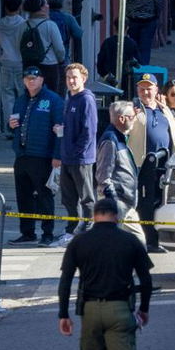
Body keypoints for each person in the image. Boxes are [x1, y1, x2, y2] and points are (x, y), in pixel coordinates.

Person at [57, 197, 153, 350]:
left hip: (89, 311)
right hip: (120, 309)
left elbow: (66, 280)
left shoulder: (79, 242)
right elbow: (146, 280)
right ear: (117, 217)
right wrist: (144, 309)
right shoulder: (129, 241)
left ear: (94, 216)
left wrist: (63, 314)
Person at [8, 66, 64, 246]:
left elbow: (61, 130)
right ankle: (27, 232)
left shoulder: (53, 100)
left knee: (44, 196)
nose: (31, 81)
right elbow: (15, 125)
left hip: (42, 156)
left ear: (41, 80)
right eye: (27, 78)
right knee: (23, 196)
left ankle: (47, 234)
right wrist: (11, 125)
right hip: (22, 154)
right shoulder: (20, 100)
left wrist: (57, 155)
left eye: (34, 78)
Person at [129, 75, 175, 254]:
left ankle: (158, 239)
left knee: (161, 203)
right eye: (142, 89)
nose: (145, 92)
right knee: (143, 206)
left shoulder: (164, 109)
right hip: (142, 166)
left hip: (164, 166)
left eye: (149, 88)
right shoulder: (134, 109)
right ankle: (147, 242)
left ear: (156, 90)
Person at [59, 63, 98, 245]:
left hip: (81, 158)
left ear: (83, 78)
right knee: (68, 197)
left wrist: (75, 150)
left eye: (74, 77)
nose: (71, 81)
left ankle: (89, 228)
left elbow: (89, 131)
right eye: (68, 77)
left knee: (86, 197)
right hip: (67, 157)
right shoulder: (70, 99)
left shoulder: (86, 100)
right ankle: (72, 228)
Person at [95, 101, 144, 240]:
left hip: (126, 202)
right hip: (117, 202)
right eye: (132, 117)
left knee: (137, 241)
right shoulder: (110, 140)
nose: (134, 120)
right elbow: (103, 175)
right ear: (122, 119)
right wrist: (114, 201)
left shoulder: (119, 137)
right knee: (114, 241)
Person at [20, 0, 65, 96]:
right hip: (49, 65)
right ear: (41, 8)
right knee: (49, 95)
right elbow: (59, 48)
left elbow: (19, 45)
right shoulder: (50, 25)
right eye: (46, 4)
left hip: (28, 64)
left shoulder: (24, 25)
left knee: (31, 94)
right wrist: (60, 60)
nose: (48, 6)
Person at [0, 0, 26, 134]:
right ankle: (20, 127)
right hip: (20, 62)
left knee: (7, 96)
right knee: (22, 95)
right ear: (19, 7)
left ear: (5, 8)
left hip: (5, 62)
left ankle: (10, 128)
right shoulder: (23, 24)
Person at [125, 0, 162, 65]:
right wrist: (157, 14)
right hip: (149, 19)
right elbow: (158, 0)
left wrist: (127, 12)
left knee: (134, 46)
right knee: (145, 48)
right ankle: (143, 69)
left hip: (133, 19)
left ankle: (135, 68)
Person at [46, 0, 84, 73]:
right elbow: (79, 34)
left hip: (45, 59)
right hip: (62, 57)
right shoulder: (67, 18)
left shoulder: (44, 18)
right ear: (61, 4)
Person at [96, 22, 139, 88]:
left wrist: (105, 75)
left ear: (115, 27)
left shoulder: (107, 42)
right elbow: (138, 63)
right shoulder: (132, 43)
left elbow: (100, 62)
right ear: (127, 28)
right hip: (127, 80)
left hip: (109, 80)